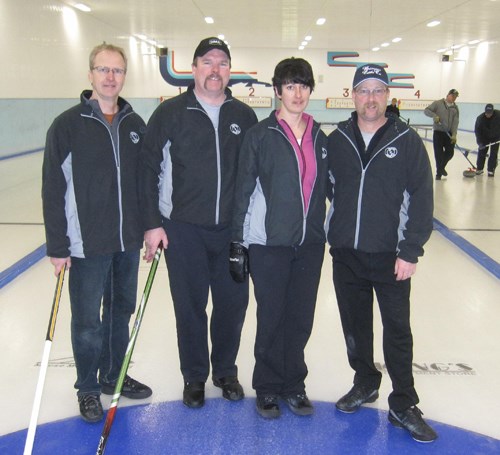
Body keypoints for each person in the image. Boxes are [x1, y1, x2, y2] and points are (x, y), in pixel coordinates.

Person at [140, 37, 258, 409]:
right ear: (193, 69)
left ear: (229, 71)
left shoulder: (243, 116)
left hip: (231, 231)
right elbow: (148, 170)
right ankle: (194, 376)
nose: (215, 69)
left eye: (222, 63)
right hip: (183, 228)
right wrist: (152, 224)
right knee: (189, 306)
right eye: (207, 61)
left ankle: (225, 371)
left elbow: (254, 176)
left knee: (232, 304)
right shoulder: (170, 113)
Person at [326, 64, 437, 443]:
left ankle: (403, 402)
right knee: (355, 328)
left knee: (397, 332)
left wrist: (410, 251)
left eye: (377, 90)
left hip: (391, 256)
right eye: (363, 90)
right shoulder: (337, 138)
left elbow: (422, 199)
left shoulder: (406, 141)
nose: (370, 98)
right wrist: (341, 227)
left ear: (387, 96)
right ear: (352, 95)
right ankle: (365, 382)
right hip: (346, 253)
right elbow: (330, 188)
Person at [42, 43, 152, 423]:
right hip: (86, 241)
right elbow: (52, 187)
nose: (110, 77)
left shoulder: (135, 125)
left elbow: (145, 184)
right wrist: (57, 245)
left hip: (126, 241)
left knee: (120, 311)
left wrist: (149, 228)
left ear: (124, 76)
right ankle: (88, 388)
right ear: (90, 75)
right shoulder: (68, 125)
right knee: (88, 319)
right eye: (103, 70)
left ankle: (113, 374)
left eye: (117, 71)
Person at [231, 58, 328, 419]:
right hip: (269, 243)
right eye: (290, 86)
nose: (297, 93)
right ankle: (268, 387)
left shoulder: (321, 137)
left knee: (300, 318)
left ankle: (293, 384)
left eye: (303, 85)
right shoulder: (260, 136)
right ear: (277, 91)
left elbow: (328, 190)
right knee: (272, 316)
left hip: (310, 243)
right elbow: (242, 192)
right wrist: (237, 242)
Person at [424, 89, 460, 180]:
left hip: (449, 133)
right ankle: (438, 173)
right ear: (448, 95)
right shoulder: (438, 103)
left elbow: (455, 122)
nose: (454, 98)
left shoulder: (455, 108)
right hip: (438, 132)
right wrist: (434, 116)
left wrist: (454, 134)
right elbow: (426, 110)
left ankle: (441, 168)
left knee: (450, 153)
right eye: (453, 96)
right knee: (438, 153)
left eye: (455, 97)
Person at [474, 103, 500, 177]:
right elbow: (477, 131)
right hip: (484, 137)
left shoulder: (498, 115)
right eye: (487, 113)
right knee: (482, 151)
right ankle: (479, 168)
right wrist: (480, 143)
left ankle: (491, 170)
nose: (488, 115)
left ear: (493, 111)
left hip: (496, 137)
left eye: (490, 113)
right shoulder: (480, 118)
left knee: (493, 153)